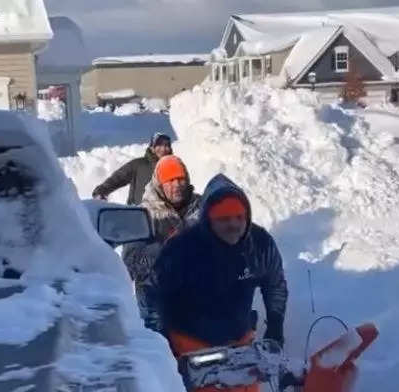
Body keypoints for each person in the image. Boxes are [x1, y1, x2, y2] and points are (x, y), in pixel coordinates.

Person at [146, 174, 287, 352]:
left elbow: (275, 285)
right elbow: (153, 293)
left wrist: (275, 329)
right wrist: (159, 343)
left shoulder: (260, 245)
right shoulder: (181, 247)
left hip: (240, 343)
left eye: (239, 217)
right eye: (223, 219)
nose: (233, 225)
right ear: (208, 220)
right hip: (189, 346)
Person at [122, 155, 201, 318]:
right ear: (159, 184)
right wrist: (164, 249)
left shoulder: (203, 207)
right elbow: (130, 265)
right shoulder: (143, 216)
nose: (177, 185)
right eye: (170, 180)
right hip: (158, 305)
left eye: (181, 179)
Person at [92, 132, 172, 205]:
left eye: (166, 145)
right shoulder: (139, 164)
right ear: (152, 147)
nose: (163, 149)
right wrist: (101, 191)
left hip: (165, 216)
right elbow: (119, 177)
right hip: (139, 213)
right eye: (159, 145)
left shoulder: (173, 167)